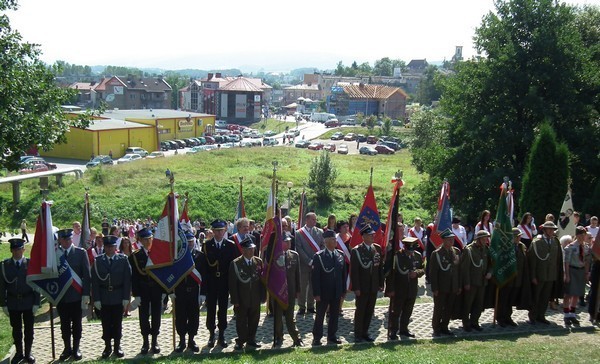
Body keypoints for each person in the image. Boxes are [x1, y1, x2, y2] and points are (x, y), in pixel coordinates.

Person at [0, 238, 40, 364]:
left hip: (28, 300)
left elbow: (36, 284)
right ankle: (19, 352)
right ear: (11, 250)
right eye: (15, 249)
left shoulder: (30, 264)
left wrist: (36, 302)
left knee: (29, 329)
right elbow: (1, 287)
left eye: (20, 249)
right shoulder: (4, 265)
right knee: (16, 329)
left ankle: (28, 353)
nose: (17, 252)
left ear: (24, 249)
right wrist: (3, 304)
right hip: (13, 302)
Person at [91, 235, 131, 359]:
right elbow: (95, 282)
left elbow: (127, 279)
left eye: (112, 247)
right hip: (104, 297)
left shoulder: (123, 260)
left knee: (117, 323)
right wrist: (96, 299)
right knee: (106, 323)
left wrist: (126, 297)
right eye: (107, 247)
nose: (109, 249)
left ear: (115, 247)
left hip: (118, 296)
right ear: (104, 247)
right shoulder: (98, 261)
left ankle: (117, 346)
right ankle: (107, 346)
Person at [202, 219, 240, 348]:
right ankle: (211, 334)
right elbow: (205, 268)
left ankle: (222, 334)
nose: (219, 233)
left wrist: (232, 286)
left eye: (221, 231)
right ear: (212, 231)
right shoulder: (207, 245)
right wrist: (204, 287)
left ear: (225, 231)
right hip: (212, 282)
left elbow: (232, 266)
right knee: (211, 309)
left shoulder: (230, 245)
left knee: (223, 309)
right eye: (217, 231)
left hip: (224, 282)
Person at [55, 228, 91, 361]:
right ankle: (66, 348)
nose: (67, 241)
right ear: (60, 240)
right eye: (64, 239)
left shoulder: (80, 253)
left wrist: (86, 294)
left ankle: (76, 348)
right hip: (61, 297)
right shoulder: (55, 254)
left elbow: (87, 275)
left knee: (77, 324)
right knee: (64, 325)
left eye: (69, 239)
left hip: (76, 295)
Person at [128, 227, 165, 354]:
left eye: (150, 239)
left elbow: (162, 273)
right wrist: (136, 294)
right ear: (140, 241)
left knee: (156, 315)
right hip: (143, 289)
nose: (148, 242)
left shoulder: (158, 254)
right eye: (145, 239)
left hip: (156, 289)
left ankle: (155, 341)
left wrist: (165, 291)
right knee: (143, 316)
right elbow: (134, 278)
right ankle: (145, 341)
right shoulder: (135, 256)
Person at [229, 237, 265, 351]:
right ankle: (240, 340)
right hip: (242, 298)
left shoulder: (258, 261)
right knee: (241, 321)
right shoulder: (235, 263)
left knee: (254, 319)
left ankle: (251, 339)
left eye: (253, 249)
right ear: (243, 250)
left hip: (255, 297)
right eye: (249, 249)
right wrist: (235, 300)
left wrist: (263, 296)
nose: (252, 251)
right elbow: (232, 284)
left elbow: (262, 281)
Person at [311, 230, 346, 346]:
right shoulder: (319, 257)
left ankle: (332, 336)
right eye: (333, 239)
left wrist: (343, 290)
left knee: (334, 315)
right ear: (326, 242)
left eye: (335, 239)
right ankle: (317, 337)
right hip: (324, 291)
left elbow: (343, 275)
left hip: (336, 291)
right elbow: (315, 277)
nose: (335, 241)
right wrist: (316, 293)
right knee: (320, 315)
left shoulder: (340, 254)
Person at [385, 237, 425, 339]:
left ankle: (404, 329)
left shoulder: (417, 255)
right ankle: (393, 331)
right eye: (408, 250)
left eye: (412, 250)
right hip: (399, 289)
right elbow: (390, 274)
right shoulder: (396, 256)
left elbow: (422, 268)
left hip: (411, 288)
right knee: (396, 311)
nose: (410, 252)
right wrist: (390, 289)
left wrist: (416, 273)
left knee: (408, 311)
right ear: (404, 247)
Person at [351, 224, 384, 343]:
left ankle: (365, 332)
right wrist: (356, 288)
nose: (372, 236)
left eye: (373, 235)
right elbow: (354, 272)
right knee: (360, 311)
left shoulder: (377, 248)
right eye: (370, 235)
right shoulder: (357, 250)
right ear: (364, 236)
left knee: (370, 310)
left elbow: (379, 267)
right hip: (362, 286)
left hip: (373, 286)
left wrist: (381, 283)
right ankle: (358, 334)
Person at [174, 231, 206, 353]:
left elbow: (204, 276)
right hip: (180, 291)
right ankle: (182, 340)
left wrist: (203, 293)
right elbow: (173, 274)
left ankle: (191, 340)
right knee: (181, 316)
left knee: (194, 316)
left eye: (191, 242)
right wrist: (170, 291)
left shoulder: (200, 256)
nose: (190, 244)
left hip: (194, 291)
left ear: (194, 241)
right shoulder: (177, 257)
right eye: (187, 242)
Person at [527, 221, 563, 325]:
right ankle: (532, 316)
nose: (552, 231)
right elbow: (532, 260)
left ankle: (541, 316)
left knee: (545, 297)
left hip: (550, 275)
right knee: (536, 296)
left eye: (553, 229)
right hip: (539, 274)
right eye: (549, 229)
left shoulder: (555, 241)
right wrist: (533, 276)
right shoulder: (537, 241)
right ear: (544, 230)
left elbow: (557, 260)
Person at [272, 234, 303, 347]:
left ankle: (296, 338)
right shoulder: (273, 256)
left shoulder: (294, 255)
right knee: (278, 317)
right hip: (277, 292)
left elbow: (297, 274)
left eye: (289, 241)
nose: (289, 243)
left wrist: (298, 290)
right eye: (286, 241)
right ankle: (279, 337)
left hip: (290, 290)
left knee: (290, 316)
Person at [430, 229, 461, 337]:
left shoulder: (456, 251)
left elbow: (458, 270)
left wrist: (458, 285)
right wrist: (435, 288)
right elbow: (433, 273)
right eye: (449, 239)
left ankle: (445, 326)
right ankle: (436, 328)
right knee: (439, 308)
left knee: (449, 307)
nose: (451, 241)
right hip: (441, 286)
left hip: (453, 285)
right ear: (443, 240)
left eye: (452, 239)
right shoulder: (437, 254)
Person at [496, 228, 529, 327]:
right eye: (517, 236)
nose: (519, 238)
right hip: (507, 279)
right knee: (503, 299)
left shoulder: (521, 246)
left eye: (519, 236)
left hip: (517, 278)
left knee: (511, 299)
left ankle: (508, 317)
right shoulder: (505, 247)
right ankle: (500, 317)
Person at [460, 230, 492, 332]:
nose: (485, 240)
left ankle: (475, 322)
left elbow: (491, 264)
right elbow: (464, 269)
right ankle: (466, 323)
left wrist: (490, 272)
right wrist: (467, 283)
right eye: (483, 238)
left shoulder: (486, 249)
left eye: (486, 238)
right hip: (472, 282)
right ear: (478, 239)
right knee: (468, 304)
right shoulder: (469, 250)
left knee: (479, 304)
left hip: (482, 282)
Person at [295, 212, 324, 315]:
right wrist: (308, 260)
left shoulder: (320, 232)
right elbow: (299, 248)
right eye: (313, 219)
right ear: (307, 220)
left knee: (313, 286)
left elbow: (322, 246)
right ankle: (302, 306)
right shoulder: (299, 233)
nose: (315, 221)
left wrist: (317, 260)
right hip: (303, 264)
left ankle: (311, 306)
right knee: (302, 286)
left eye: (315, 219)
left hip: (316, 264)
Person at [562, 227, 590, 326]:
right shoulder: (570, 247)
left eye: (584, 234)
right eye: (581, 234)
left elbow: (587, 261)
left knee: (577, 294)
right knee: (568, 294)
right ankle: (566, 314)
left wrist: (587, 273)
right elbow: (566, 262)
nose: (583, 236)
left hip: (581, 271)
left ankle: (572, 314)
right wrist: (567, 275)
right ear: (577, 235)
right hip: (572, 270)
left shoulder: (586, 247)